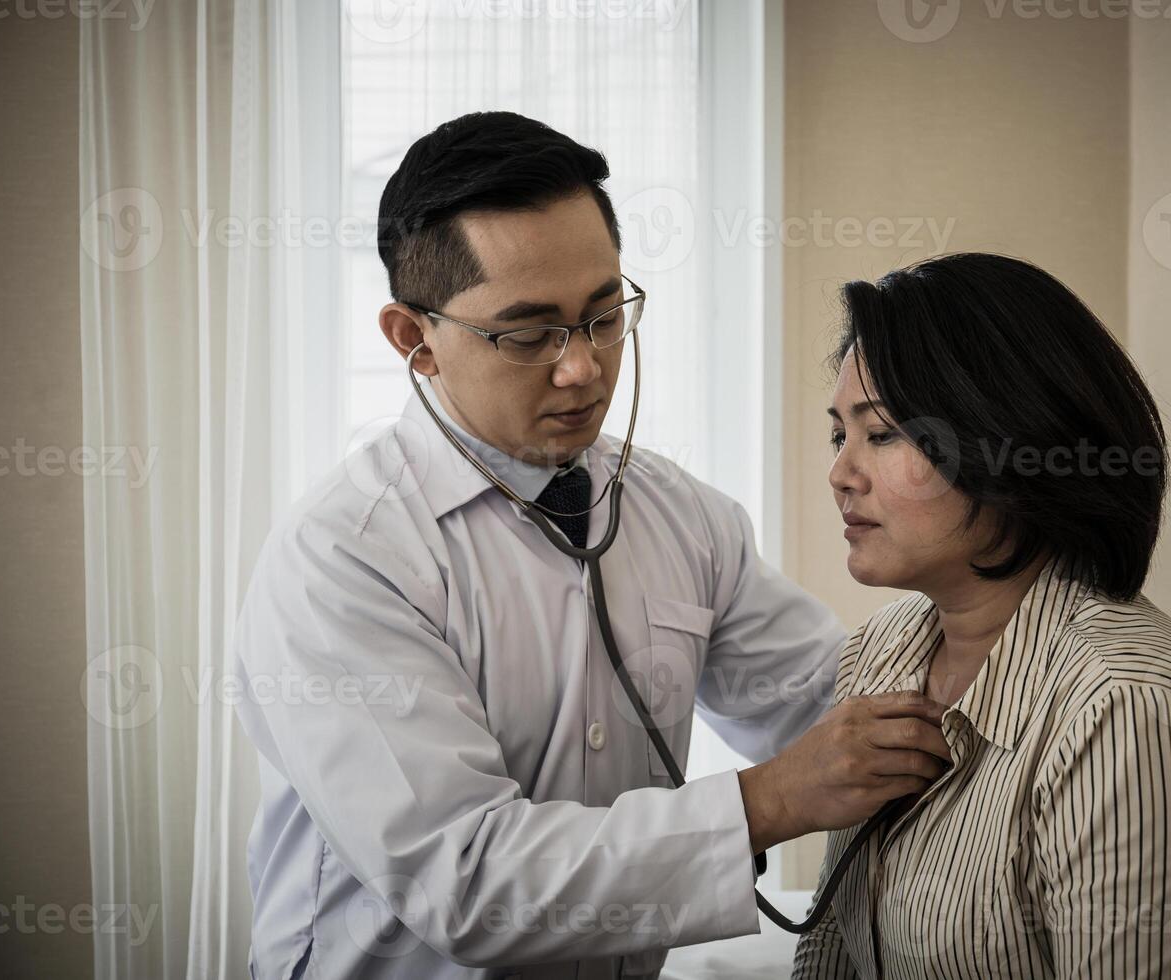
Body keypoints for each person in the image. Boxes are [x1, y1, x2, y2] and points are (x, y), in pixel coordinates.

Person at [232, 111, 954, 979]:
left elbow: (829, 702)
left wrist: (1032, 652)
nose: (583, 368)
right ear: (413, 339)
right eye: (528, 334)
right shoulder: (344, 560)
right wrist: (768, 800)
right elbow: (467, 881)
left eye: (605, 314)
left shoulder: (684, 516)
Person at [792, 253, 1171, 978]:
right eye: (840, 434)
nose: (841, 471)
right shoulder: (880, 651)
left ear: (1007, 441)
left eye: (882, 433)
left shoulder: (1132, 714)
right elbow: (831, 954)